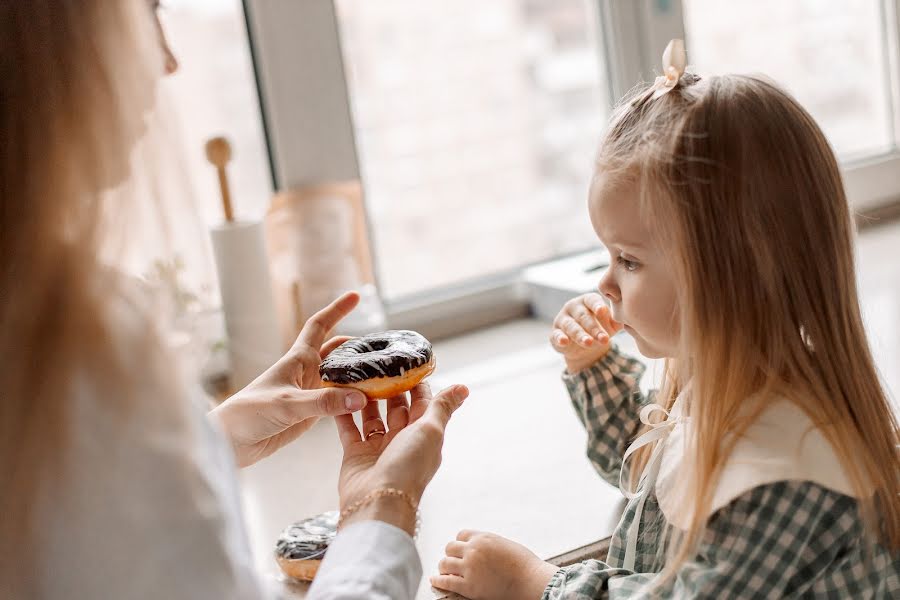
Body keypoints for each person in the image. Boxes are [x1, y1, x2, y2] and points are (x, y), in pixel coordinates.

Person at [0, 1, 467, 598]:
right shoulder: (75, 344)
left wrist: (212, 438)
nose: (168, 61)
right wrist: (384, 506)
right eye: (147, 11)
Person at [432, 40, 900, 599]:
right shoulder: (733, 378)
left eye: (628, 260)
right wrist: (593, 364)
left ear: (729, 273)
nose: (605, 285)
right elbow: (645, 470)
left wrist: (538, 584)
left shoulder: (785, 471)